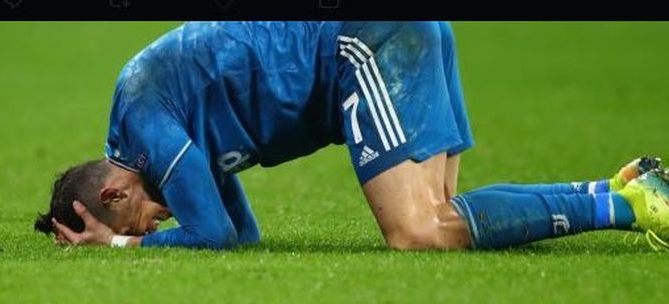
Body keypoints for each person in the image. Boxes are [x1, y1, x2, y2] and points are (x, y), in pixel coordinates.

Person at [34, 21, 669, 251]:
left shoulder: (144, 117)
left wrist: (118, 250)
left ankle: (626, 209)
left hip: (363, 42)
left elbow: (214, 236)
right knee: (446, 223)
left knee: (419, 232)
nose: (158, 222)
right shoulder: (160, 124)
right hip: (382, 33)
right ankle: (622, 188)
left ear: (114, 193)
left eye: (140, 222)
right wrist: (130, 238)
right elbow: (244, 235)